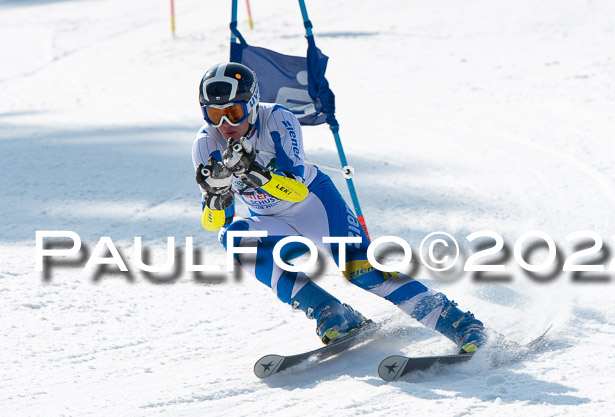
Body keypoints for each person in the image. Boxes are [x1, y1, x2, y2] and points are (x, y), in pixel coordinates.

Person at [191, 62, 486, 352]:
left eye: (234, 113)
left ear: (253, 104)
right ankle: (329, 310)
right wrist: (216, 197)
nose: (225, 125)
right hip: (272, 221)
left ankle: (459, 323)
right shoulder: (205, 144)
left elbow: (296, 189)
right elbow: (217, 222)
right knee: (232, 236)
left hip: (314, 206)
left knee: (362, 271)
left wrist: (255, 172)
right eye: (214, 115)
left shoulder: (277, 119)